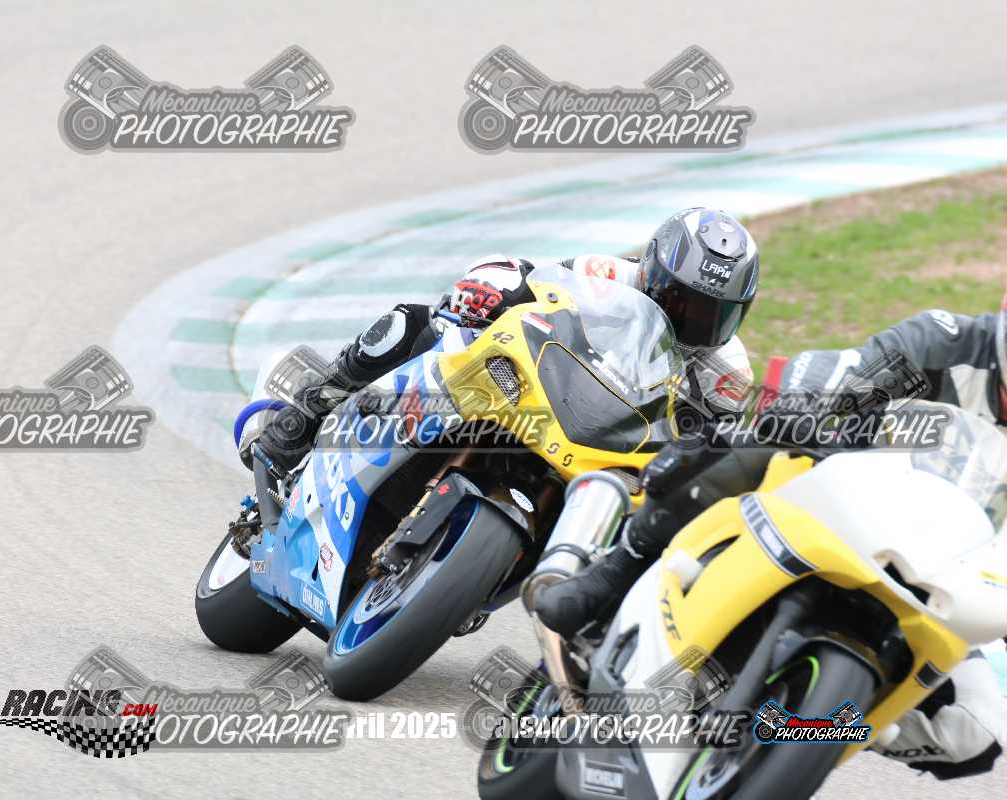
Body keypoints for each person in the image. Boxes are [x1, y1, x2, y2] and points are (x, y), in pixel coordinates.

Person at [534, 292, 1007, 780]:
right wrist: (806, 398)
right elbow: (848, 368)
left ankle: (803, 729)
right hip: (843, 493)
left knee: (976, 733)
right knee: (743, 444)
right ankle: (612, 576)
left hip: (942, 580)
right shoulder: (949, 340)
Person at [249, 207, 760, 474]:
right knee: (413, 322)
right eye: (679, 298)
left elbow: (712, 457)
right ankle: (308, 413)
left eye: (712, 314)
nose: (688, 319)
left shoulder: (729, 377)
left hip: (602, 451)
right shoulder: (608, 276)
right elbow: (529, 278)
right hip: (536, 391)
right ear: (651, 269)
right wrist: (486, 290)